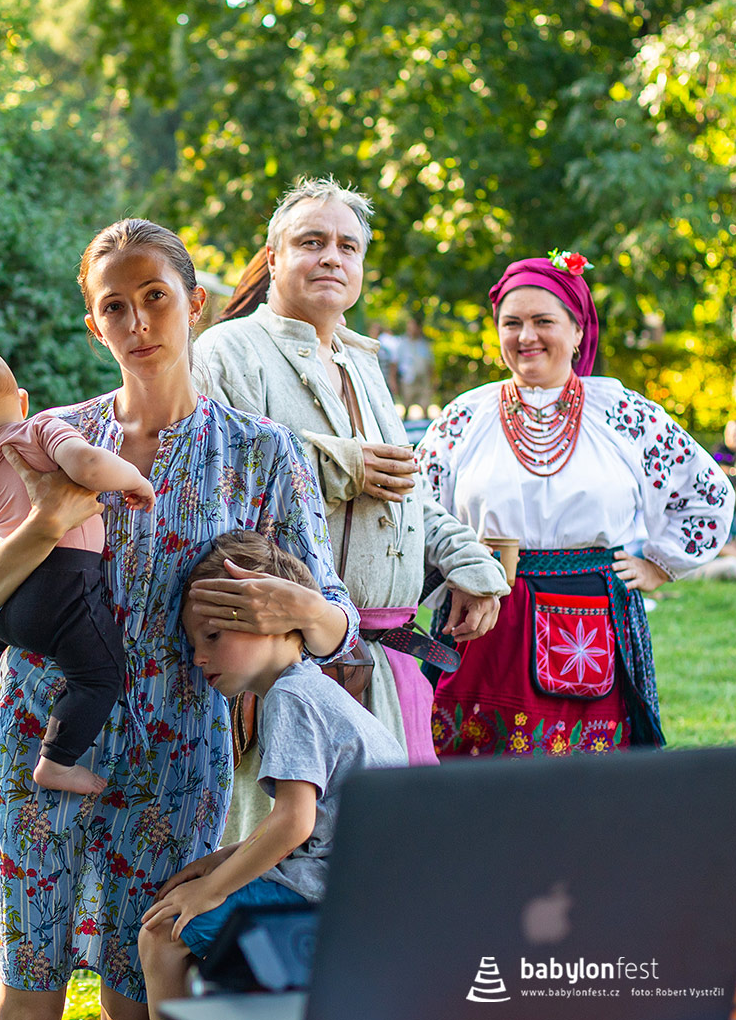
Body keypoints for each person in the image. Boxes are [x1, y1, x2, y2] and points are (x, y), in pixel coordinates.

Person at [0, 218, 356, 1019]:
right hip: (36, 741)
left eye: (155, 297)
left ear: (195, 304)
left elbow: (340, 626)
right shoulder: (47, 439)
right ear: (94, 324)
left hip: (178, 763)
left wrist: (297, 608)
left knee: (137, 995)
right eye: (115, 306)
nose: (137, 321)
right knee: (27, 994)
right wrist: (42, 524)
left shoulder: (263, 453)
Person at [191, 177, 506, 840]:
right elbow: (228, 478)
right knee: (295, 857)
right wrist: (341, 464)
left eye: (348, 246)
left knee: (386, 854)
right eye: (312, 241)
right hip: (291, 664)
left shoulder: (363, 362)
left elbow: (406, 492)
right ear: (273, 257)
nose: (332, 257)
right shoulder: (228, 350)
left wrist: (467, 561)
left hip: (388, 657)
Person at [416, 251, 732, 755]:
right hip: (483, 613)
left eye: (544, 321)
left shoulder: (621, 412)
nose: (526, 336)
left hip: (590, 619)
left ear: (579, 330)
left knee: (589, 777)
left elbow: (706, 490)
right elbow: (416, 511)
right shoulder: (466, 416)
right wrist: (450, 574)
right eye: (511, 323)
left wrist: (659, 564)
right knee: (471, 773)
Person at [138, 531, 404, 1018]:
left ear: (274, 621)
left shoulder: (290, 699)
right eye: (194, 643)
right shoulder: (311, 690)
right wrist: (221, 860)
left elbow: (294, 824)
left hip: (334, 893)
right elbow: (314, 821)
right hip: (370, 882)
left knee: (161, 935)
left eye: (212, 636)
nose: (198, 657)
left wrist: (211, 888)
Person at [0, 346, 155, 795]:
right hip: (66, 583)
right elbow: (88, 464)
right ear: (23, 401)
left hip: (17, 594)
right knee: (100, 674)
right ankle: (57, 760)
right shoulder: (40, 427)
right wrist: (136, 480)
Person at [395, 316, 435, 414]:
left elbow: (430, 364)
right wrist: (394, 381)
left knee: (425, 404)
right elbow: (395, 363)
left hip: (423, 379)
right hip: (407, 379)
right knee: (406, 404)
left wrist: (433, 380)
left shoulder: (424, 344)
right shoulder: (402, 344)